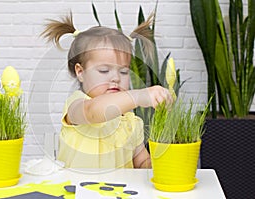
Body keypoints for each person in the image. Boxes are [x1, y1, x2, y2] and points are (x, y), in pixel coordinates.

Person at [42, 12, 173, 169]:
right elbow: (93, 112)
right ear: (80, 72)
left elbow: (141, 161)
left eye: (124, 71)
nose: (116, 78)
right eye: (104, 70)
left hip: (119, 192)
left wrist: (161, 166)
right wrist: (139, 96)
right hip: (78, 192)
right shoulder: (76, 105)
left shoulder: (130, 122)